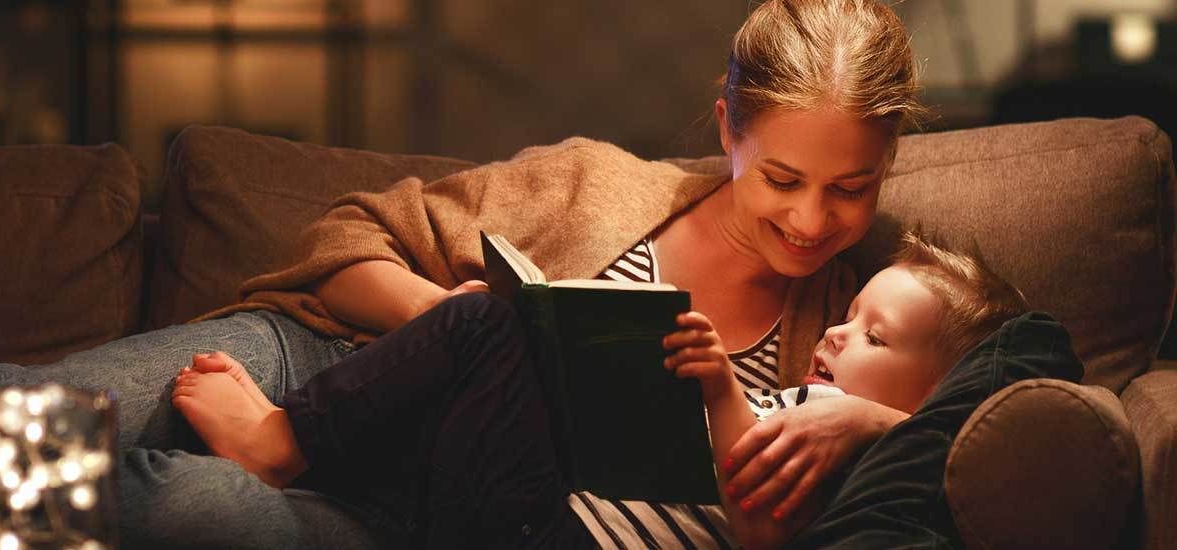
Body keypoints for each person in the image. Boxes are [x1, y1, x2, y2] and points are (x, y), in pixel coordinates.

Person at [0, 0, 928, 547]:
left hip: (411, 505)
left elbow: (1020, 372)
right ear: (726, 130)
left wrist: (874, 415)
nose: (813, 220)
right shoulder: (593, 185)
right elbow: (345, 236)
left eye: (851, 188)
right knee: (40, 408)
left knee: (191, 508)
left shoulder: (867, 314)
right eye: (783, 178)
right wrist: (448, 310)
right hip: (334, 369)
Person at [170, 229, 1034, 549]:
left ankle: (282, 445)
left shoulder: (832, 429)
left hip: (549, 535)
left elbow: (761, 521)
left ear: (931, 399)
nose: (839, 332)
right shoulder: (826, 413)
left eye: (875, 336)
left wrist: (724, 392)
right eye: (849, 313)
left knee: (482, 329)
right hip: (521, 503)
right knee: (492, 326)